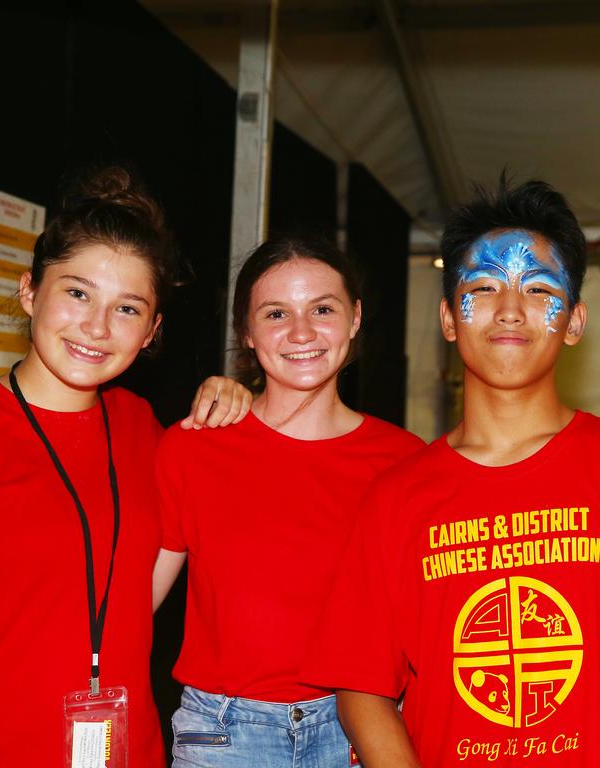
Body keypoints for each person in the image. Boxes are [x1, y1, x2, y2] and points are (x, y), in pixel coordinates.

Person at [303, 178, 600, 767]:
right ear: (447, 318)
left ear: (575, 321)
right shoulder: (396, 496)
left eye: (539, 289)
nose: (510, 309)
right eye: (483, 287)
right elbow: (361, 687)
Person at [0, 166, 247, 767]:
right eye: (76, 292)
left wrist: (240, 396)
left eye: (127, 308)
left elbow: (127, 600)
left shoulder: (148, 432)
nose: (97, 326)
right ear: (29, 291)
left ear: (152, 332)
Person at [151, 234, 425, 767]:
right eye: (276, 313)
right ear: (247, 334)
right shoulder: (194, 444)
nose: (301, 332)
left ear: (356, 318)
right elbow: (129, 607)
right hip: (223, 735)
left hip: (360, 733)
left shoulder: (406, 461)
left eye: (323, 308)